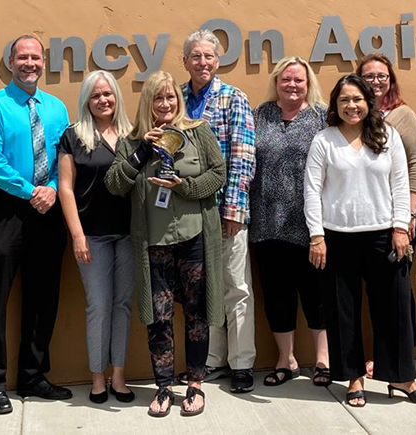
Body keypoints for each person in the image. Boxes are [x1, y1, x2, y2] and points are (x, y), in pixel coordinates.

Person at [305, 75, 416, 407]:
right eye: (344, 100)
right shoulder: (324, 140)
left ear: (368, 102)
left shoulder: (386, 135)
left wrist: (401, 229)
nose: (352, 106)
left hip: (383, 236)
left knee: (394, 308)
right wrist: (317, 236)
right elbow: (312, 191)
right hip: (337, 238)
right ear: (335, 104)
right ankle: (354, 378)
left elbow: (400, 184)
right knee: (342, 312)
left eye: (358, 99)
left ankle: (402, 377)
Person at [105, 70, 226, 417]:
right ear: (148, 102)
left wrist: (183, 188)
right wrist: (142, 151)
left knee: (196, 313)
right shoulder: (132, 141)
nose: (165, 104)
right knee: (158, 317)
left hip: (194, 237)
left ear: (179, 99)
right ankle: (163, 387)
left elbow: (218, 173)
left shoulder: (198, 132)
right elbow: (115, 184)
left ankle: (195, 384)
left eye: (171, 97)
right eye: (158, 98)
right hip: (153, 244)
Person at [0, 34, 71, 415]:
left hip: (48, 210)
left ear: (43, 62)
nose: (29, 63)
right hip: (5, 210)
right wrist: (33, 189)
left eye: (35, 57)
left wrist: (50, 190)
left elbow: (65, 154)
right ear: (9, 63)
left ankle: (32, 376)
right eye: (22, 57)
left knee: (43, 296)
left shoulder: (57, 108)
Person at [177, 29, 257, 393]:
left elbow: (243, 156)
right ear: (185, 61)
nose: (202, 63)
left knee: (235, 287)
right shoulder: (176, 99)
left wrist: (234, 209)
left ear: (218, 61)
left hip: (225, 209)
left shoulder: (232, 99)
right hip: (187, 212)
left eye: (208, 56)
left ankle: (241, 363)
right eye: (196, 56)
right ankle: (213, 359)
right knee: (203, 289)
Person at [249, 56, 331, 388]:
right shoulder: (260, 115)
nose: (292, 85)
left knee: (317, 293)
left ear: (308, 83)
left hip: (311, 224)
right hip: (267, 223)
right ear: (276, 82)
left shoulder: (322, 116)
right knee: (277, 294)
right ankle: (286, 359)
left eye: (298, 80)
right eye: (286, 80)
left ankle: (323, 359)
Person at [57, 70, 135, 404]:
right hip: (92, 236)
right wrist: (77, 235)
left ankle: (118, 374)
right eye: (96, 95)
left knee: (122, 305)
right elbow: (65, 188)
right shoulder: (73, 136)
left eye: (108, 94)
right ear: (86, 101)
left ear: (116, 97)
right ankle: (97, 378)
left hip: (130, 235)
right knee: (99, 306)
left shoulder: (134, 136)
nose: (103, 100)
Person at [356, 53, 416, 378]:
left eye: (381, 76)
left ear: (390, 80)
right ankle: (379, 356)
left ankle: (395, 360)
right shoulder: (354, 116)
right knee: (373, 292)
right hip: (364, 220)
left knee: (394, 292)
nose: (375, 82)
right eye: (368, 76)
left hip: (398, 217)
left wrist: (410, 215)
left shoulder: (403, 116)